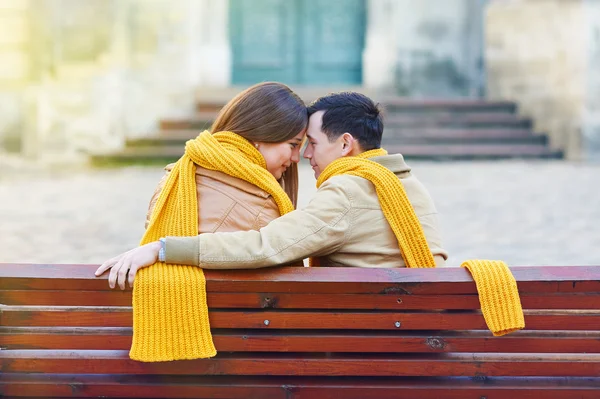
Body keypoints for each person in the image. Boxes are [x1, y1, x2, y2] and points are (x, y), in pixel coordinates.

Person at [96, 91, 448, 289]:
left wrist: (163, 248)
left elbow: (267, 246)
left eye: (309, 143)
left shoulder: (348, 192)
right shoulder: (406, 184)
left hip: (369, 336)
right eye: (297, 144)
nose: (304, 156)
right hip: (410, 324)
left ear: (345, 145)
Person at [100, 81, 307, 289]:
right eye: (294, 145)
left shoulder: (175, 177)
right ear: (261, 136)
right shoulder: (263, 205)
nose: (297, 157)